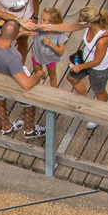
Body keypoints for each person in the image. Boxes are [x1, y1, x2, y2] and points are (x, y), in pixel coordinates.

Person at [16, 7, 69, 140]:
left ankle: (53, 95)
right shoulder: (38, 28)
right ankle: (37, 91)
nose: (41, 21)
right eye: (42, 18)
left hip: (50, 58)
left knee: (52, 76)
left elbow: (61, 51)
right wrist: (23, 32)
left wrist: (50, 43)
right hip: (37, 56)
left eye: (44, 20)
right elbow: (21, 32)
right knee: (37, 73)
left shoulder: (59, 34)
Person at [64, 7, 108, 127]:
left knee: (99, 91)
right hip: (85, 60)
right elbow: (71, 27)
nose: (79, 22)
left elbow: (97, 61)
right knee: (72, 78)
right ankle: (86, 101)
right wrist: (49, 27)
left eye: (80, 21)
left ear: (90, 23)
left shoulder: (102, 38)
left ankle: (98, 115)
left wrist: (80, 67)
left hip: (99, 68)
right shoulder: (89, 26)